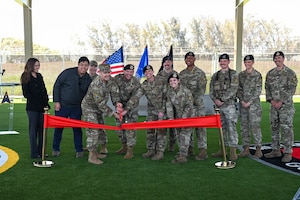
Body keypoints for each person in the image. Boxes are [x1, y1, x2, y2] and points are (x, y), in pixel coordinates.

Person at [52, 56, 92, 158]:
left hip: (77, 108)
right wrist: (57, 101)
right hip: (62, 106)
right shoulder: (67, 73)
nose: (84, 67)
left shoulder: (88, 79)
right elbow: (57, 85)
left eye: (86, 65)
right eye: (82, 65)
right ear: (78, 65)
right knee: (58, 128)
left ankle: (79, 150)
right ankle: (55, 149)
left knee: (77, 129)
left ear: (88, 67)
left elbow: (89, 94)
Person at [81, 64, 121, 165]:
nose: (107, 75)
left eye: (109, 72)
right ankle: (91, 156)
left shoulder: (111, 81)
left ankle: (97, 151)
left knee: (101, 128)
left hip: (99, 109)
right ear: (100, 73)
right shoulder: (96, 84)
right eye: (105, 73)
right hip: (89, 108)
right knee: (93, 130)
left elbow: (114, 93)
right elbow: (101, 103)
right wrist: (113, 113)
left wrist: (117, 103)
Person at [264, 51, 298, 163]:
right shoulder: (270, 73)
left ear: (283, 59)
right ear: (273, 60)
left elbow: (292, 89)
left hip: (286, 106)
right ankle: (275, 150)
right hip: (274, 106)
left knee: (286, 128)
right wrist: (272, 100)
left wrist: (281, 101)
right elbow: (267, 88)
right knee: (274, 127)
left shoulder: (290, 73)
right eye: (276, 58)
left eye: (279, 58)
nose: (277, 60)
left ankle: (288, 152)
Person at [209, 53, 239, 161]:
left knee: (231, 128)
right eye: (221, 61)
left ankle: (233, 151)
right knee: (221, 128)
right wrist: (215, 100)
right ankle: (222, 150)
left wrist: (222, 99)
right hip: (218, 106)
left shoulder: (233, 74)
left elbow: (234, 89)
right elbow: (211, 90)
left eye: (225, 61)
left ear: (228, 62)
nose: (223, 63)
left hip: (229, 105)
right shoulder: (215, 75)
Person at [179, 52, 208, 160]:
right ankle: (188, 149)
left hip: (197, 105)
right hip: (186, 107)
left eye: (191, 58)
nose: (189, 60)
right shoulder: (181, 74)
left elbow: (201, 90)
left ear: (194, 59)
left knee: (200, 128)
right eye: (187, 58)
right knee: (187, 128)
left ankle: (202, 151)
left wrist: (192, 101)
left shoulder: (200, 73)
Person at [20, 58, 50, 159]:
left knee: (42, 130)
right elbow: (26, 94)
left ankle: (41, 151)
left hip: (42, 108)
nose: (38, 67)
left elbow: (44, 90)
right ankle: (34, 153)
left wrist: (46, 102)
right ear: (31, 66)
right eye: (36, 65)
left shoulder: (39, 76)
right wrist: (37, 101)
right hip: (32, 108)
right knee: (33, 130)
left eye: (38, 65)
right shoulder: (25, 77)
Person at [113, 64, 143, 159]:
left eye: (131, 72)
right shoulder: (117, 79)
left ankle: (130, 150)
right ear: (124, 71)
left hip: (132, 107)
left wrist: (126, 109)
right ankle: (124, 146)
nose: (129, 74)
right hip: (120, 106)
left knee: (130, 128)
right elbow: (114, 92)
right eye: (127, 71)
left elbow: (135, 97)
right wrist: (117, 103)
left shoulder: (136, 82)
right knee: (119, 127)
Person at [237, 55, 263, 158]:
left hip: (254, 106)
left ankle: (258, 149)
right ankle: (246, 148)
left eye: (249, 62)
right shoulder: (241, 75)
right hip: (243, 105)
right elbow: (238, 89)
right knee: (244, 127)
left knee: (255, 127)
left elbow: (258, 91)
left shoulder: (257, 75)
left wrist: (249, 102)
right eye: (246, 62)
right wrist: (242, 100)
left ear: (252, 62)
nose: (247, 64)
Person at [166, 72, 195, 163]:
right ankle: (188, 151)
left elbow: (189, 105)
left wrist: (184, 118)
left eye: (174, 80)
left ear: (178, 81)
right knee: (179, 134)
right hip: (178, 116)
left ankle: (183, 156)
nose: (172, 82)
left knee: (184, 135)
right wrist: (171, 118)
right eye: (170, 81)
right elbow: (169, 105)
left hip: (188, 115)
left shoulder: (186, 91)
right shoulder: (170, 92)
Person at [141, 65, 167, 160]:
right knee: (150, 130)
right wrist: (126, 108)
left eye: (150, 71)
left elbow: (166, 96)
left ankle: (160, 151)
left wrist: (162, 110)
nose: (148, 73)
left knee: (161, 131)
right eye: (146, 72)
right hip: (152, 110)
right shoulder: (144, 84)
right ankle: (150, 149)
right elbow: (136, 96)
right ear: (144, 74)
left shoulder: (161, 80)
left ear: (153, 71)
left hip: (162, 109)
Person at [156, 55, 178, 152]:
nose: (167, 63)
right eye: (165, 62)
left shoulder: (176, 74)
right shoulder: (159, 75)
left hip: (174, 104)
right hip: (162, 104)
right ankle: (160, 147)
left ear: (172, 63)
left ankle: (172, 145)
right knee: (161, 126)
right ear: (163, 64)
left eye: (169, 61)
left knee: (173, 126)